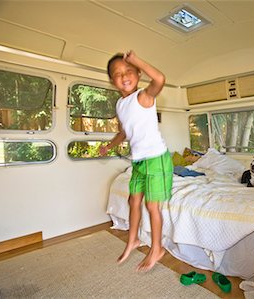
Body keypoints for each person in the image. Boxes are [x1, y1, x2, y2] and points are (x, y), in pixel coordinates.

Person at [100, 50, 173, 272]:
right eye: (117, 73)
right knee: (133, 201)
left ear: (138, 73)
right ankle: (133, 240)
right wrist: (109, 146)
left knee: (152, 206)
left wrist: (137, 59)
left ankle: (157, 249)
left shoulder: (144, 96)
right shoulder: (120, 105)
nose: (124, 76)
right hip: (139, 161)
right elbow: (124, 132)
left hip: (157, 159)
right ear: (112, 81)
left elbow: (160, 79)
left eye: (129, 70)